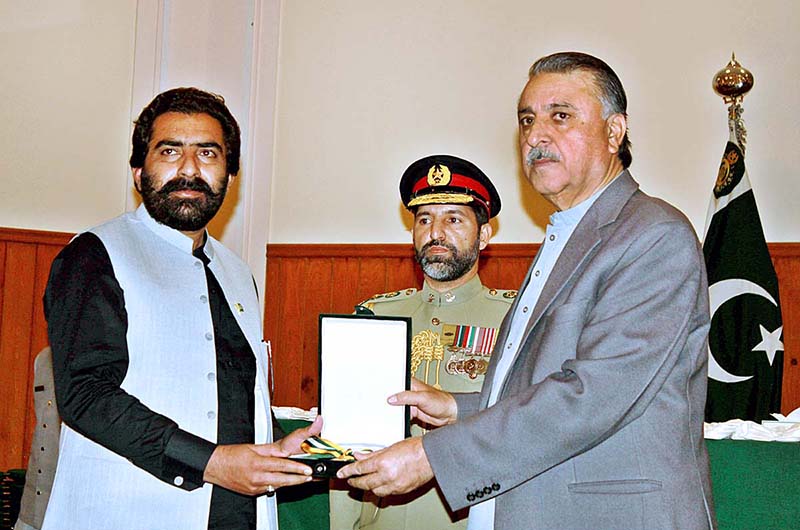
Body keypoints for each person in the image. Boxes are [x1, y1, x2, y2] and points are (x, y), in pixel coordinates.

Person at [339, 52, 716, 530]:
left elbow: (592, 395)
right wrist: (459, 407)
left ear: (614, 132)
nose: (536, 135)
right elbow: (544, 381)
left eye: (561, 116)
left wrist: (434, 456)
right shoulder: (569, 234)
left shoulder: (652, 235)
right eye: (526, 119)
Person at [40, 87, 320, 530]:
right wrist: (211, 462)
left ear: (230, 176)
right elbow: (85, 395)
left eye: (208, 153)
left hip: (237, 515)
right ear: (138, 171)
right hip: (126, 514)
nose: (189, 169)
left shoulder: (238, 273)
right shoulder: (95, 254)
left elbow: (229, 395)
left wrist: (277, 447)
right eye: (169, 151)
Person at [329, 155, 515, 530]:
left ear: (484, 236)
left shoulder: (514, 320)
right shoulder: (373, 317)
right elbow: (344, 438)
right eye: (424, 219)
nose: (436, 232)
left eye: (453, 219)